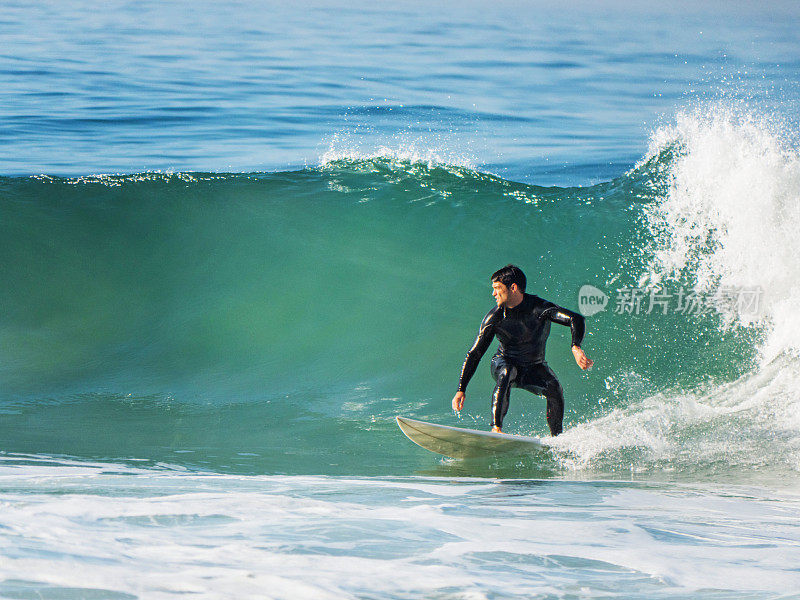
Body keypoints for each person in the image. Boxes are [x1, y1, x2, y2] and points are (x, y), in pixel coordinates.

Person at [451, 264, 593, 436]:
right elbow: (475, 354)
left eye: (497, 288)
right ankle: (496, 428)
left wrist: (576, 347)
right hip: (503, 362)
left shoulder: (539, 308)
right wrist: (461, 389)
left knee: (554, 388)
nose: (493, 293)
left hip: (534, 367)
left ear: (513, 288)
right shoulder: (495, 317)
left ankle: (557, 437)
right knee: (507, 371)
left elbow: (575, 319)